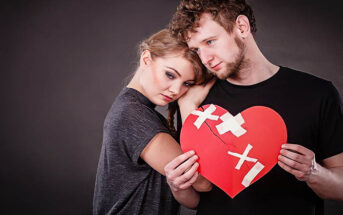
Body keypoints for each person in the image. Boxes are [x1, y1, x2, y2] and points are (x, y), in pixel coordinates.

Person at [164, 0, 343, 215]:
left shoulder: (317, 93)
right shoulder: (195, 101)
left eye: (210, 42)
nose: (205, 59)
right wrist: (176, 186)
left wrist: (314, 173)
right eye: (196, 50)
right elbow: (198, 198)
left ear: (241, 27)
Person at [92, 29, 214, 215]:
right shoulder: (132, 115)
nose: (175, 90)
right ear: (146, 59)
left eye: (187, 84)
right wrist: (189, 103)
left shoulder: (135, 110)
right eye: (170, 75)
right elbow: (203, 182)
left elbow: (194, 200)